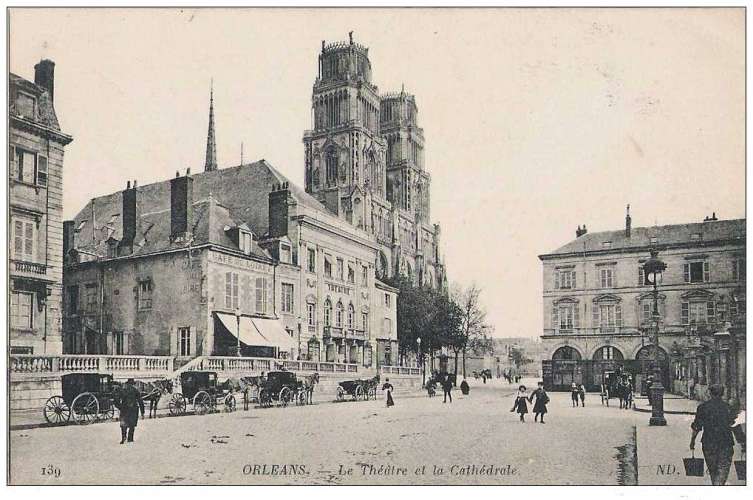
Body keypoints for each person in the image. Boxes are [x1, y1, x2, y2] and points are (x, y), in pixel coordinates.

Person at [690, 384, 742, 485]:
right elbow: (736, 427)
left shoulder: (702, 407)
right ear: (722, 394)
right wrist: (743, 442)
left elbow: (696, 427)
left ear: (710, 393)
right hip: (725, 444)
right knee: (722, 470)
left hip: (708, 444)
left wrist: (692, 441)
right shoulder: (728, 408)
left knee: (713, 471)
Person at [115, 378, 145, 444]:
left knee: (123, 424)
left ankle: (123, 437)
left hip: (124, 409)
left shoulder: (123, 390)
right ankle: (130, 438)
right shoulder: (135, 390)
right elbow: (140, 401)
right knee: (132, 425)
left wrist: (120, 407)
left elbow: (116, 400)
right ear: (132, 384)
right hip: (133, 409)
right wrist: (142, 412)